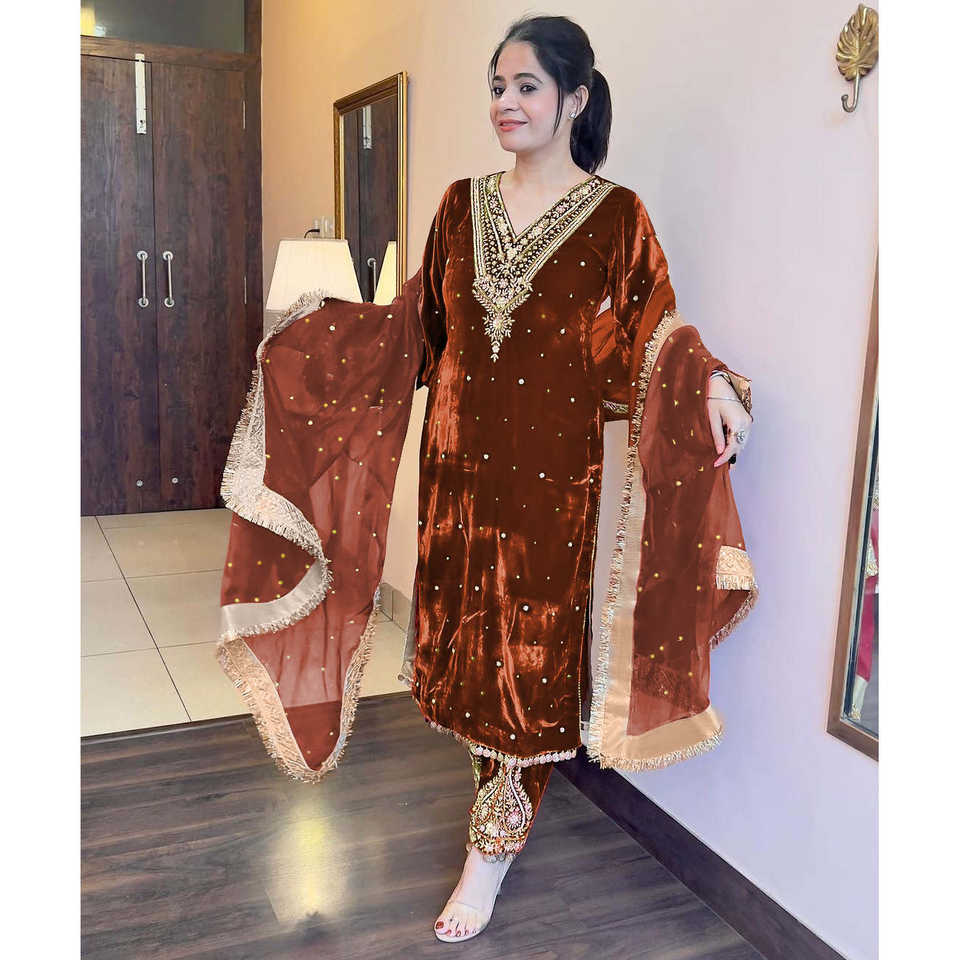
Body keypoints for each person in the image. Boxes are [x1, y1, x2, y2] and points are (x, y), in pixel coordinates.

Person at [216, 14, 757, 945]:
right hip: (458, 488)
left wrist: (709, 380)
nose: (506, 103)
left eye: (526, 87)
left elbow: (653, 334)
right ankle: (489, 815)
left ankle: (489, 858)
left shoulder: (617, 218)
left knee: (526, 674)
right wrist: (313, 344)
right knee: (472, 664)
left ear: (574, 99)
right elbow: (413, 331)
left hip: (551, 492)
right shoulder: (460, 206)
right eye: (497, 87)